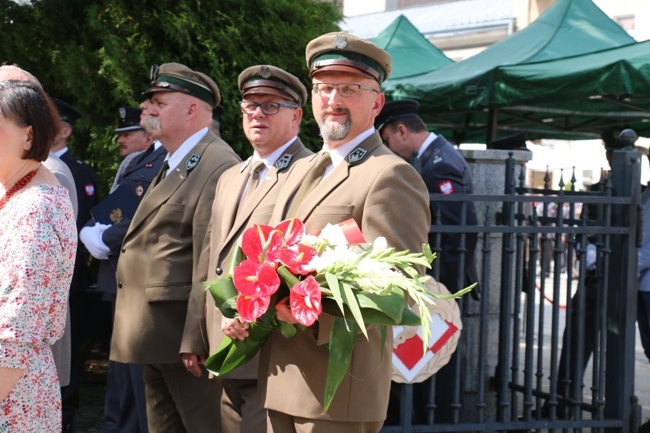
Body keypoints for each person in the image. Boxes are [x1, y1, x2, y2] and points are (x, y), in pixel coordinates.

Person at [223, 32, 431, 432]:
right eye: (324, 88)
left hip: (337, 390)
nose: (333, 101)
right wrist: (248, 307)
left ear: (377, 102)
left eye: (349, 89)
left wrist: (304, 307)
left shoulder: (390, 174)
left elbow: (400, 288)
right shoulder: (302, 169)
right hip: (282, 375)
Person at [109, 62, 240, 433]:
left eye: (158, 102)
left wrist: (195, 337)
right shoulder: (173, 161)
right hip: (157, 332)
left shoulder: (216, 164)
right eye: (148, 102)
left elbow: (211, 260)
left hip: (183, 338)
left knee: (202, 425)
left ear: (192, 109)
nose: (146, 110)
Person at [180, 64, 312, 433]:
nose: (257, 113)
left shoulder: (308, 172)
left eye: (271, 106)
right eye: (250, 105)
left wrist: (249, 314)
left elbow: (300, 260)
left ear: (296, 115)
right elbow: (210, 258)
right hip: (223, 343)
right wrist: (195, 333)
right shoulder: (231, 176)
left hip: (269, 348)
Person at [375, 98, 479, 424]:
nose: (389, 149)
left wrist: (434, 287)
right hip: (434, 285)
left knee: (436, 364)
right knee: (420, 363)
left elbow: (455, 234)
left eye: (387, 140)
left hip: (441, 287)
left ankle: (436, 423)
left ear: (401, 130)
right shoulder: (431, 159)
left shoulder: (440, 164)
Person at [80, 106, 166, 433]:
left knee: (141, 382)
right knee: (121, 375)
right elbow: (118, 205)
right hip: (119, 277)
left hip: (146, 279)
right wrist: (94, 228)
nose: (124, 139)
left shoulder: (177, 161)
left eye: (130, 132)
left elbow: (149, 217)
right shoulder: (140, 161)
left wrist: (105, 235)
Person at [0, 80, 77, 432]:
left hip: (12, 394)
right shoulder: (17, 194)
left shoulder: (37, 209)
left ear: (28, 137)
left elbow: (17, 336)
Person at [51, 96, 101, 431]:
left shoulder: (76, 172)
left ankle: (65, 413)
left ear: (65, 130)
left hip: (67, 276)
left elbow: (83, 224)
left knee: (66, 347)